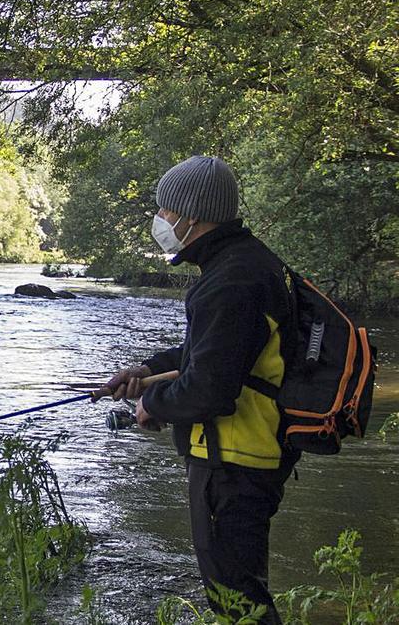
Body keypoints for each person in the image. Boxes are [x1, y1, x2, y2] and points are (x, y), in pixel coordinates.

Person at [98, 155, 298, 624]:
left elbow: (209, 390)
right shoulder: (245, 264)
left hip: (235, 462)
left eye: (166, 212)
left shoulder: (231, 281)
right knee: (240, 589)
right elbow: (207, 353)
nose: (161, 221)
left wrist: (151, 402)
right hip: (253, 454)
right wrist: (145, 370)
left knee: (236, 600)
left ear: (194, 217)